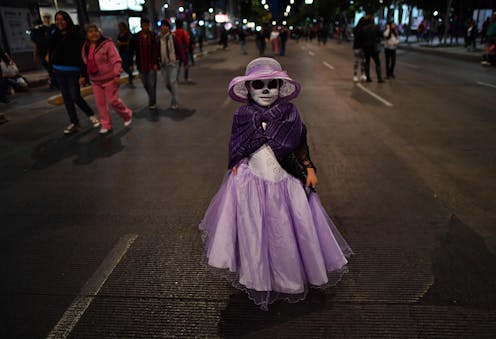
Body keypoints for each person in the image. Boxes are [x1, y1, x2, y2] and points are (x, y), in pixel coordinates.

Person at [199, 57, 353, 311]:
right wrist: (236, 162)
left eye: (272, 84)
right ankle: (258, 277)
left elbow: (300, 145)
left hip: (286, 184)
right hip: (251, 186)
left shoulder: (290, 114)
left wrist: (309, 168)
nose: (266, 90)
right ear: (248, 89)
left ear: (281, 87)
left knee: (288, 232)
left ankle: (288, 280)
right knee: (254, 233)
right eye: (259, 85)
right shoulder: (243, 115)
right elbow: (237, 144)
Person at [48, 11, 100, 134]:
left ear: (67, 20)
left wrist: (83, 74)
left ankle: (91, 115)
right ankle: (74, 123)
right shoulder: (55, 34)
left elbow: (82, 55)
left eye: (62, 19)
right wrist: (51, 72)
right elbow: (51, 53)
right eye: (57, 20)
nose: (59, 22)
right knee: (67, 98)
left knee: (75, 96)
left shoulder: (76, 34)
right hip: (58, 70)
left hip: (72, 71)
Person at [81, 24, 132, 134]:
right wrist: (84, 76)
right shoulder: (85, 47)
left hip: (110, 79)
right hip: (95, 80)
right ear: (86, 35)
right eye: (90, 32)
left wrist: (117, 74)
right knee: (100, 104)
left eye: (96, 31)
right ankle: (106, 124)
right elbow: (85, 62)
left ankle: (127, 114)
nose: (93, 33)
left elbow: (116, 59)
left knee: (113, 101)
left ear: (100, 32)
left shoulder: (107, 44)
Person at [129, 18, 159, 110]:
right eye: (144, 25)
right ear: (141, 26)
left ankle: (152, 101)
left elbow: (156, 50)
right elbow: (131, 51)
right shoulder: (135, 37)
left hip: (151, 65)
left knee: (152, 84)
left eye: (147, 25)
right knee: (145, 84)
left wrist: (156, 63)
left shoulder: (153, 36)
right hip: (141, 65)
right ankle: (151, 97)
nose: (146, 27)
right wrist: (131, 63)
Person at [158, 20, 187, 109]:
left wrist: (185, 62)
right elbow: (156, 51)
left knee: (172, 82)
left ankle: (175, 102)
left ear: (168, 27)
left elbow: (180, 50)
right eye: (162, 26)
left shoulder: (174, 37)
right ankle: (174, 95)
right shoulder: (159, 39)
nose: (163, 27)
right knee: (167, 84)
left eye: (165, 26)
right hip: (163, 64)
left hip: (174, 63)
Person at [360, 15, 384, 83]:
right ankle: (379, 78)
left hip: (366, 47)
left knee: (367, 62)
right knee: (377, 62)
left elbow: (362, 39)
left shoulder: (364, 28)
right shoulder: (376, 27)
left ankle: (368, 78)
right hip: (374, 47)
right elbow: (381, 35)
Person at [116, 22, 134, 88]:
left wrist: (122, 44)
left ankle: (130, 79)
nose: (120, 28)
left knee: (126, 65)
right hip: (121, 52)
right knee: (123, 65)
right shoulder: (119, 34)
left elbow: (130, 43)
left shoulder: (128, 34)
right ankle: (130, 75)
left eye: (121, 27)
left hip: (127, 52)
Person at [352, 17, 366, 82]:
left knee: (356, 62)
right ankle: (362, 75)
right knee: (362, 62)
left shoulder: (355, 29)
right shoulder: (364, 29)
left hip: (356, 47)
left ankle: (355, 75)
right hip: (362, 47)